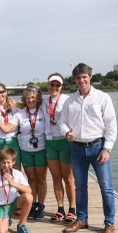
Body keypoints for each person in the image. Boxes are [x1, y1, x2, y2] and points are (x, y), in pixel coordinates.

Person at [60, 63, 117, 233]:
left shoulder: (103, 97)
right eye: (78, 78)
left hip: (98, 147)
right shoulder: (69, 101)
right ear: (75, 80)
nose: (81, 80)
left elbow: (111, 125)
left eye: (84, 77)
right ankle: (82, 219)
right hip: (77, 148)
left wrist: (107, 148)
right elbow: (62, 122)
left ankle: (109, 224)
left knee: (106, 187)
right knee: (81, 187)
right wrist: (66, 133)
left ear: (90, 76)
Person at [0, 85, 48, 220]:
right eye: (28, 98)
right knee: (31, 180)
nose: (30, 100)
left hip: (41, 149)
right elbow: (6, 128)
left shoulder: (43, 110)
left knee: (41, 179)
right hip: (26, 150)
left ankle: (40, 206)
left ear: (38, 98)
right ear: (25, 99)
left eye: (33, 97)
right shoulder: (20, 114)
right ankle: (32, 204)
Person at [42, 73, 76, 223]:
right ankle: (60, 209)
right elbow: (26, 104)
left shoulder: (67, 100)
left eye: (57, 85)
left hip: (64, 141)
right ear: (48, 85)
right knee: (56, 177)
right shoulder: (43, 102)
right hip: (50, 142)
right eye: (52, 84)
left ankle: (72, 209)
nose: (54, 87)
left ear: (61, 86)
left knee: (68, 177)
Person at [0, 147, 32, 233]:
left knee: (28, 197)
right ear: (0, 162)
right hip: (2, 206)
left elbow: (29, 190)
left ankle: (21, 225)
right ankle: (7, 218)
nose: (6, 165)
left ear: (13, 162)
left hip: (14, 202)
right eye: (3, 162)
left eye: (8, 162)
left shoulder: (17, 174)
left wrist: (13, 183)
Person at [0, 83, 21, 171]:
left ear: (6, 92)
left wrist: (17, 104)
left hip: (12, 141)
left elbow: (30, 107)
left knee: (16, 172)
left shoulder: (15, 107)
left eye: (2, 92)